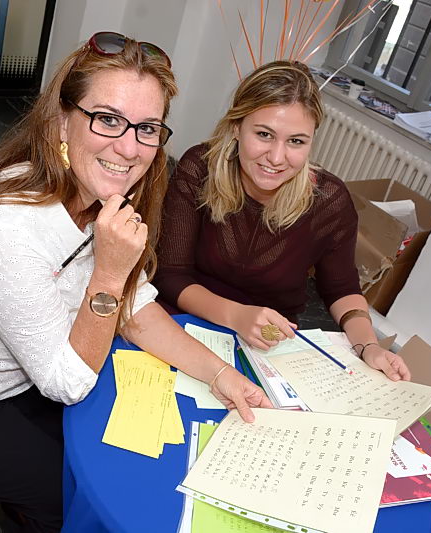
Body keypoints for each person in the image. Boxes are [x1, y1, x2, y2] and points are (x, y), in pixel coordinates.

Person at [0, 32, 271, 533]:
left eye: (147, 128)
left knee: (106, 452)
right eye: (108, 119)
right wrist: (109, 272)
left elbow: (135, 308)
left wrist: (219, 373)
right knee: (67, 490)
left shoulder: (98, 194)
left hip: (14, 370)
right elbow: (67, 382)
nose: (129, 148)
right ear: (61, 121)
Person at [156, 60, 411, 382]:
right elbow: (170, 274)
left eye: (296, 141)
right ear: (236, 128)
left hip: (267, 347)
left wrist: (368, 346)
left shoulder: (329, 200)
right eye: (264, 134)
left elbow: (342, 288)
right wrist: (235, 315)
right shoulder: (200, 168)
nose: (276, 158)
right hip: (183, 322)